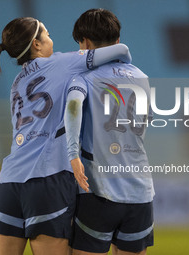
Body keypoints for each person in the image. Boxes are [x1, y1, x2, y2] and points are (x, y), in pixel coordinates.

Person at [0, 17, 131, 255]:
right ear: (36, 43)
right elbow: (121, 50)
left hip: (8, 182)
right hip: (46, 180)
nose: (51, 39)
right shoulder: (64, 63)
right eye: (48, 34)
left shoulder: (18, 81)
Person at [64, 9, 155, 255]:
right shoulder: (141, 78)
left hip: (98, 190)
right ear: (116, 42)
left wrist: (72, 154)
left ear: (86, 43)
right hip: (139, 191)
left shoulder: (82, 77)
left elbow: (72, 107)